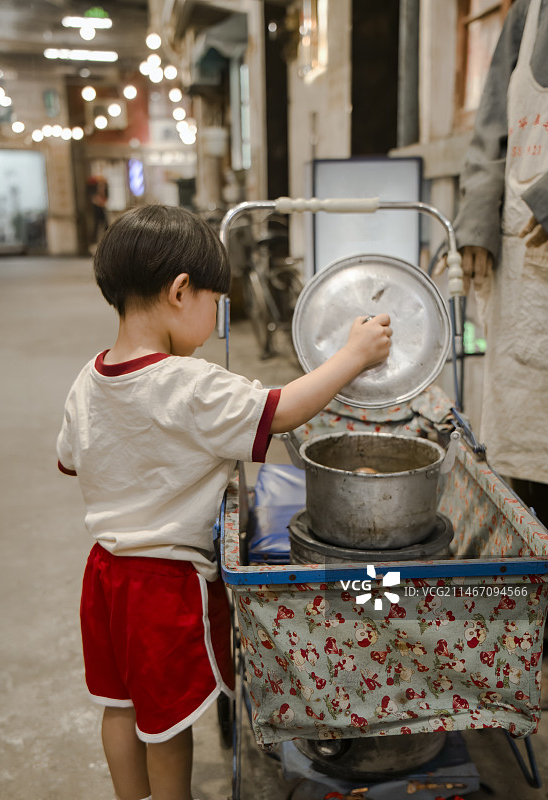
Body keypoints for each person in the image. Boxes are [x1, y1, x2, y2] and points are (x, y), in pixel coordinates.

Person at [56, 204, 392, 800]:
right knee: (166, 724)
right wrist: (354, 355)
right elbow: (280, 410)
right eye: (216, 302)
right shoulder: (191, 384)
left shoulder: (89, 378)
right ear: (180, 291)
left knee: (119, 705)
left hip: (105, 576)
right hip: (164, 585)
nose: (216, 321)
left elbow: (70, 457)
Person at [452, 0, 548, 525]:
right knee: (527, 458)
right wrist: (478, 220)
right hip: (525, 262)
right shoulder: (527, 12)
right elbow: (491, 129)